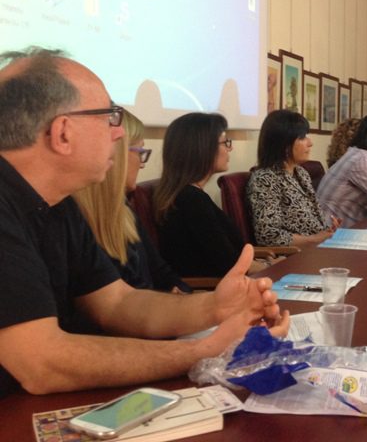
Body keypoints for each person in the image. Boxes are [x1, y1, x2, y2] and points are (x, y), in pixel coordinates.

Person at [0, 47, 289, 397]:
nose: (118, 134)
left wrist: (214, 306)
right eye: (109, 117)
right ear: (62, 133)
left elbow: (118, 303)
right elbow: (42, 364)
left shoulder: (59, 204)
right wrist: (205, 350)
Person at [73, 110, 189, 292]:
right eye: (140, 152)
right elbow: (114, 303)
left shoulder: (124, 208)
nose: (142, 164)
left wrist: (181, 294)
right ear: (118, 154)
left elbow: (161, 272)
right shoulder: (75, 219)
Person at [154, 112, 248, 277]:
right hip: (211, 288)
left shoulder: (191, 194)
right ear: (203, 148)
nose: (230, 148)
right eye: (225, 142)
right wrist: (271, 266)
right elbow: (230, 263)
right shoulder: (191, 200)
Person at [247, 109, 339, 247]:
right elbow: (268, 235)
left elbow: (312, 223)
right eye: (302, 138)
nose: (310, 143)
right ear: (284, 144)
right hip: (296, 254)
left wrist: (328, 230)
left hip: (317, 249)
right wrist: (314, 239)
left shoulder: (301, 173)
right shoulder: (265, 179)